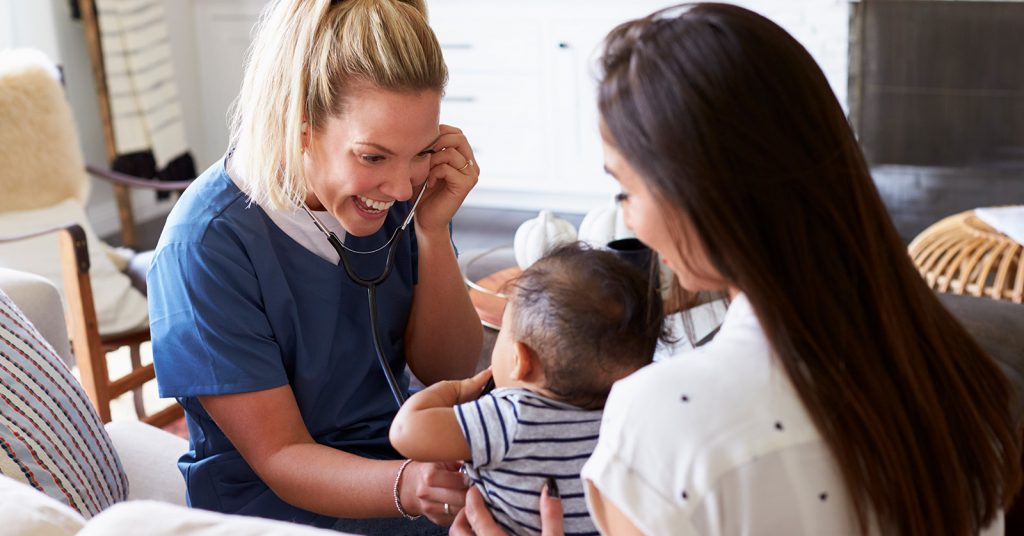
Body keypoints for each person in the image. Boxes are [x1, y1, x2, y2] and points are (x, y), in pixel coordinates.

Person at [452, 3, 1021, 535]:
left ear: (696, 195)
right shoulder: (960, 377)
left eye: (624, 189)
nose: (627, 219)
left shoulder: (660, 420)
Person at [147, 0, 484, 533]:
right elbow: (282, 457)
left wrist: (433, 231)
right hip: (275, 507)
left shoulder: (400, 198)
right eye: (373, 157)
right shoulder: (206, 246)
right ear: (297, 125)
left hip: (399, 458)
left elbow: (450, 368)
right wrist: (411, 485)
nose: (400, 187)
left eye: (420, 152)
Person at [390, 243, 666, 535]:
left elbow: (405, 432)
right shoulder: (629, 421)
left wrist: (455, 391)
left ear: (521, 360)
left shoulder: (511, 415)